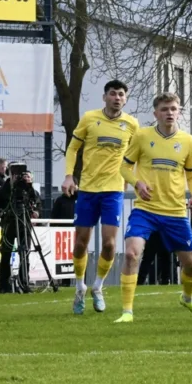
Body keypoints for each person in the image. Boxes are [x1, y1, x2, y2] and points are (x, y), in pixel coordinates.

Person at [114, 92, 192, 323]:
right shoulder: (142, 136)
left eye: (173, 109)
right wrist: (137, 183)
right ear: (155, 113)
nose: (169, 113)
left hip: (175, 212)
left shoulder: (188, 141)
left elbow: (191, 174)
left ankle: (187, 298)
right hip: (145, 210)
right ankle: (127, 311)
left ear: (179, 112)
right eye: (165, 109)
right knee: (131, 253)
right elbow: (124, 167)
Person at [62, 80, 139, 315]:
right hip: (87, 189)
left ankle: (97, 286)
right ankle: (79, 287)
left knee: (109, 244)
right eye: (113, 94)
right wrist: (69, 176)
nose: (117, 98)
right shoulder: (89, 118)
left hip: (113, 190)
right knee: (80, 243)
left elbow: (136, 156)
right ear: (105, 97)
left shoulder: (132, 124)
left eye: (121, 94)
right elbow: (73, 148)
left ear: (125, 99)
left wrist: (136, 181)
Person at [0, 164, 41, 293]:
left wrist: (28, 185)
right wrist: (0, 212)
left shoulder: (28, 188)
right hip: (9, 223)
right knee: (6, 253)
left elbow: (36, 202)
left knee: (25, 252)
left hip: (24, 224)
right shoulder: (4, 189)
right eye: (14, 173)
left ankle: (24, 282)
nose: (16, 176)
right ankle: (3, 285)